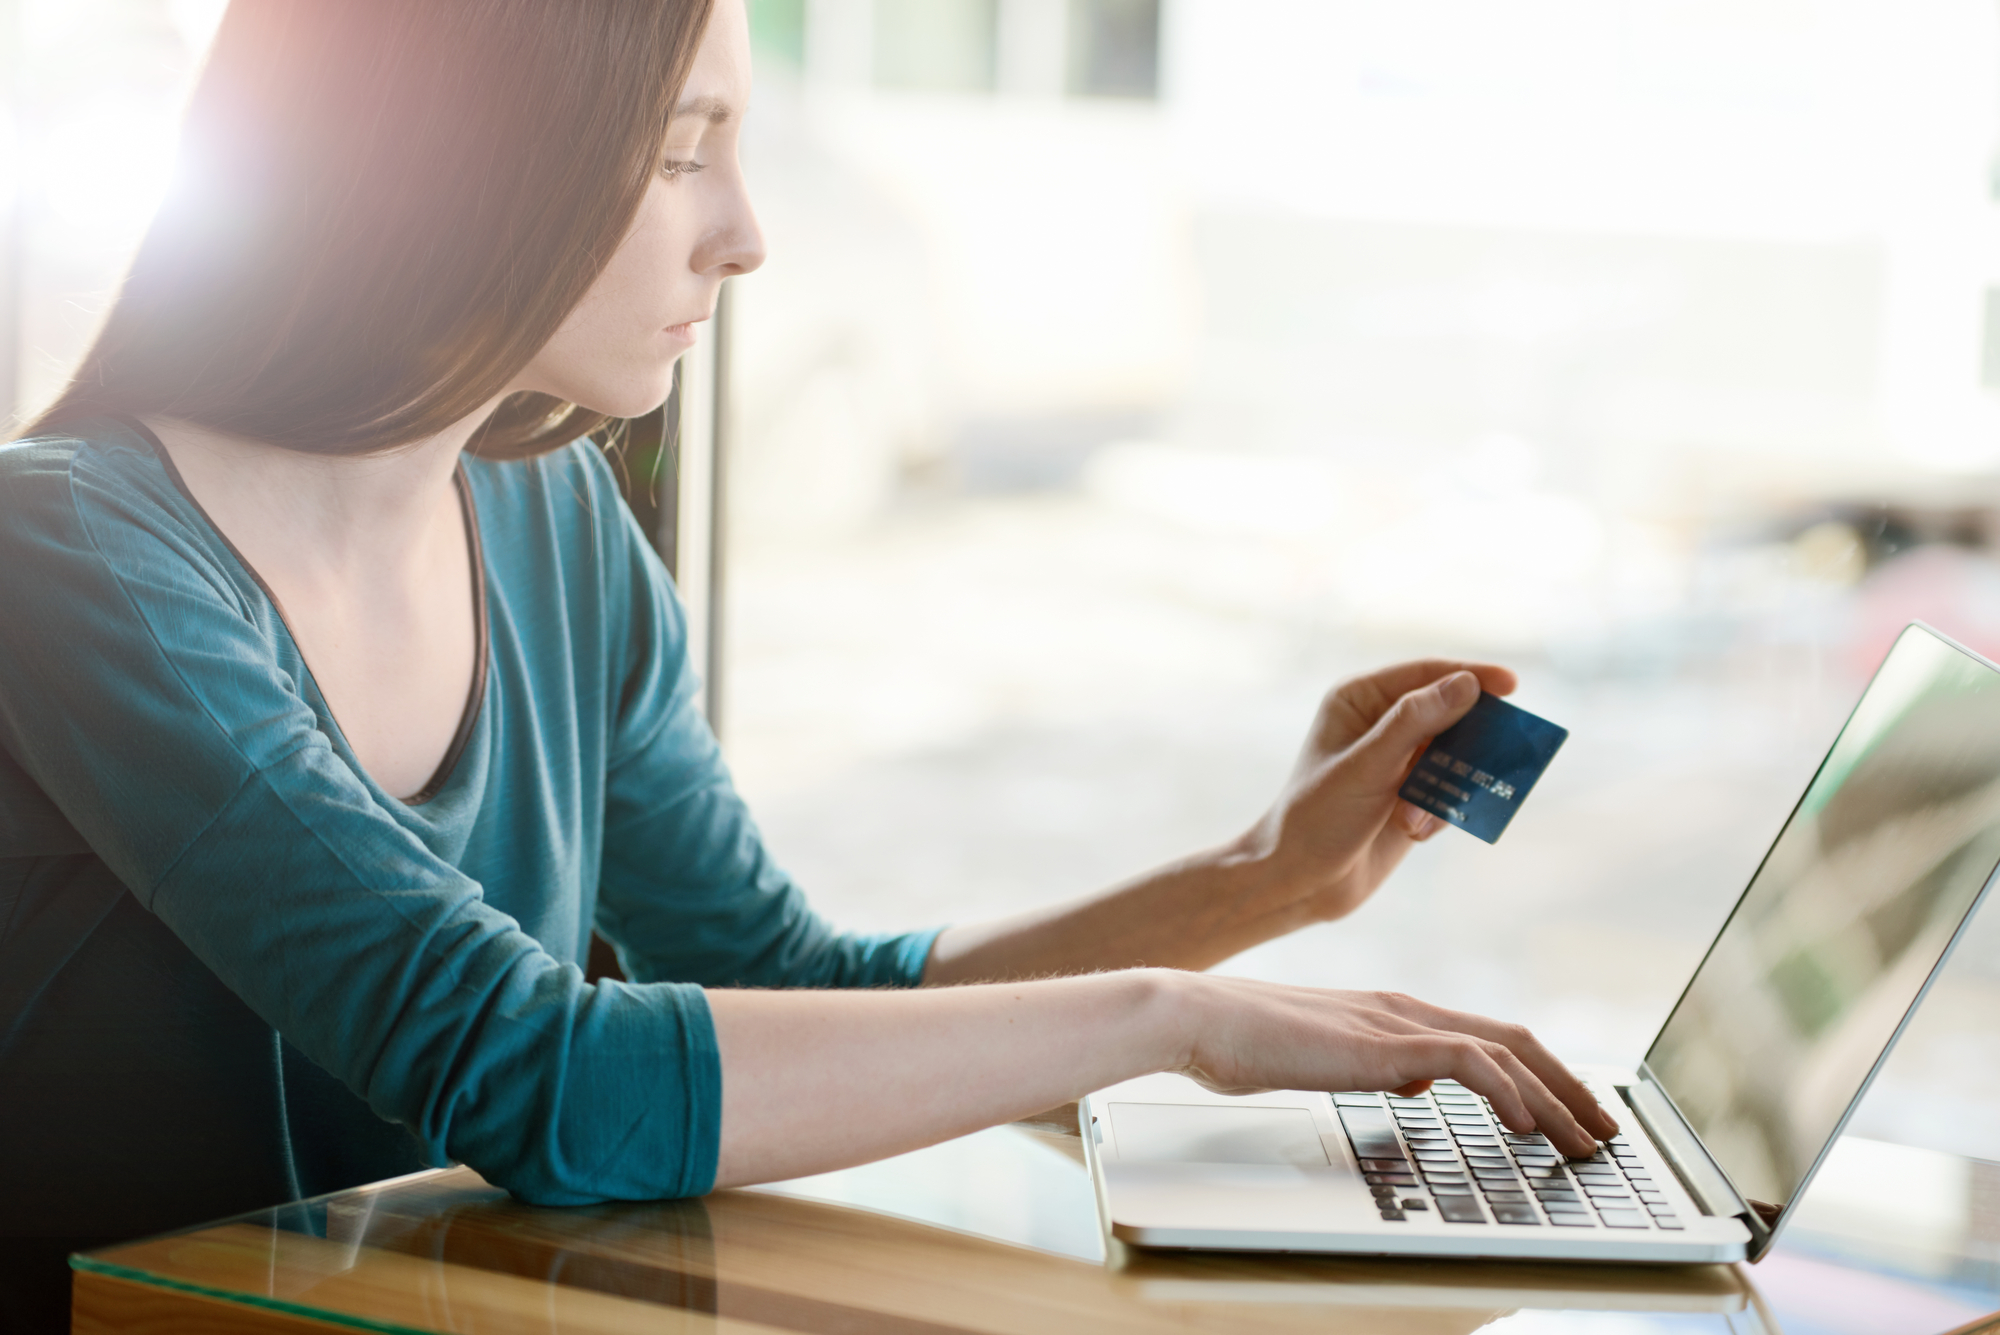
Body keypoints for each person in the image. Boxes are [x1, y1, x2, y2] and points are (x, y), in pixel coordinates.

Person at [0, 0, 1617, 1326]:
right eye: (684, 155)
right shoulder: (68, 554)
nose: (748, 237)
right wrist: (1170, 1020)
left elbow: (783, 997)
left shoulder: (551, 516)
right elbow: (535, 1079)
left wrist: (1270, 878)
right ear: (456, 169)